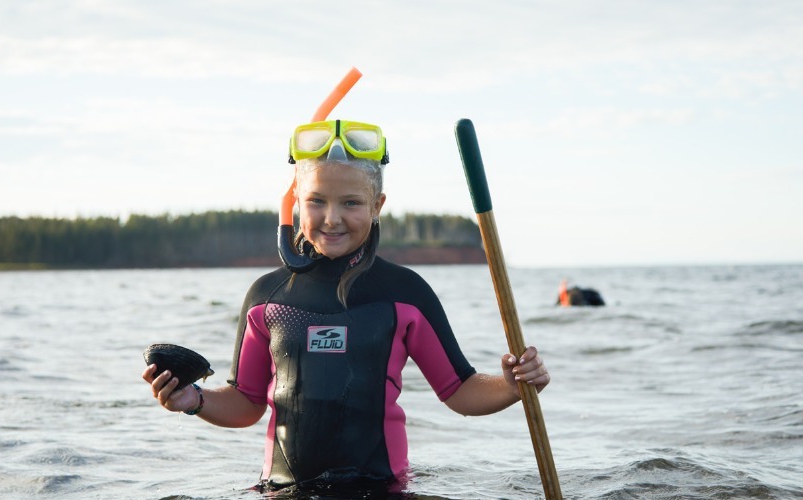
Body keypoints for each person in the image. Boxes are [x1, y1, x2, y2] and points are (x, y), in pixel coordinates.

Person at [142, 117, 550, 494]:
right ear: (296, 201)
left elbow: (459, 391)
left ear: (377, 206)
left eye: (351, 203)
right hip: (283, 490)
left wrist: (512, 386)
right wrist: (193, 399)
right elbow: (246, 402)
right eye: (317, 201)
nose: (332, 218)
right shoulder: (267, 297)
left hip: (382, 488)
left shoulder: (405, 293)